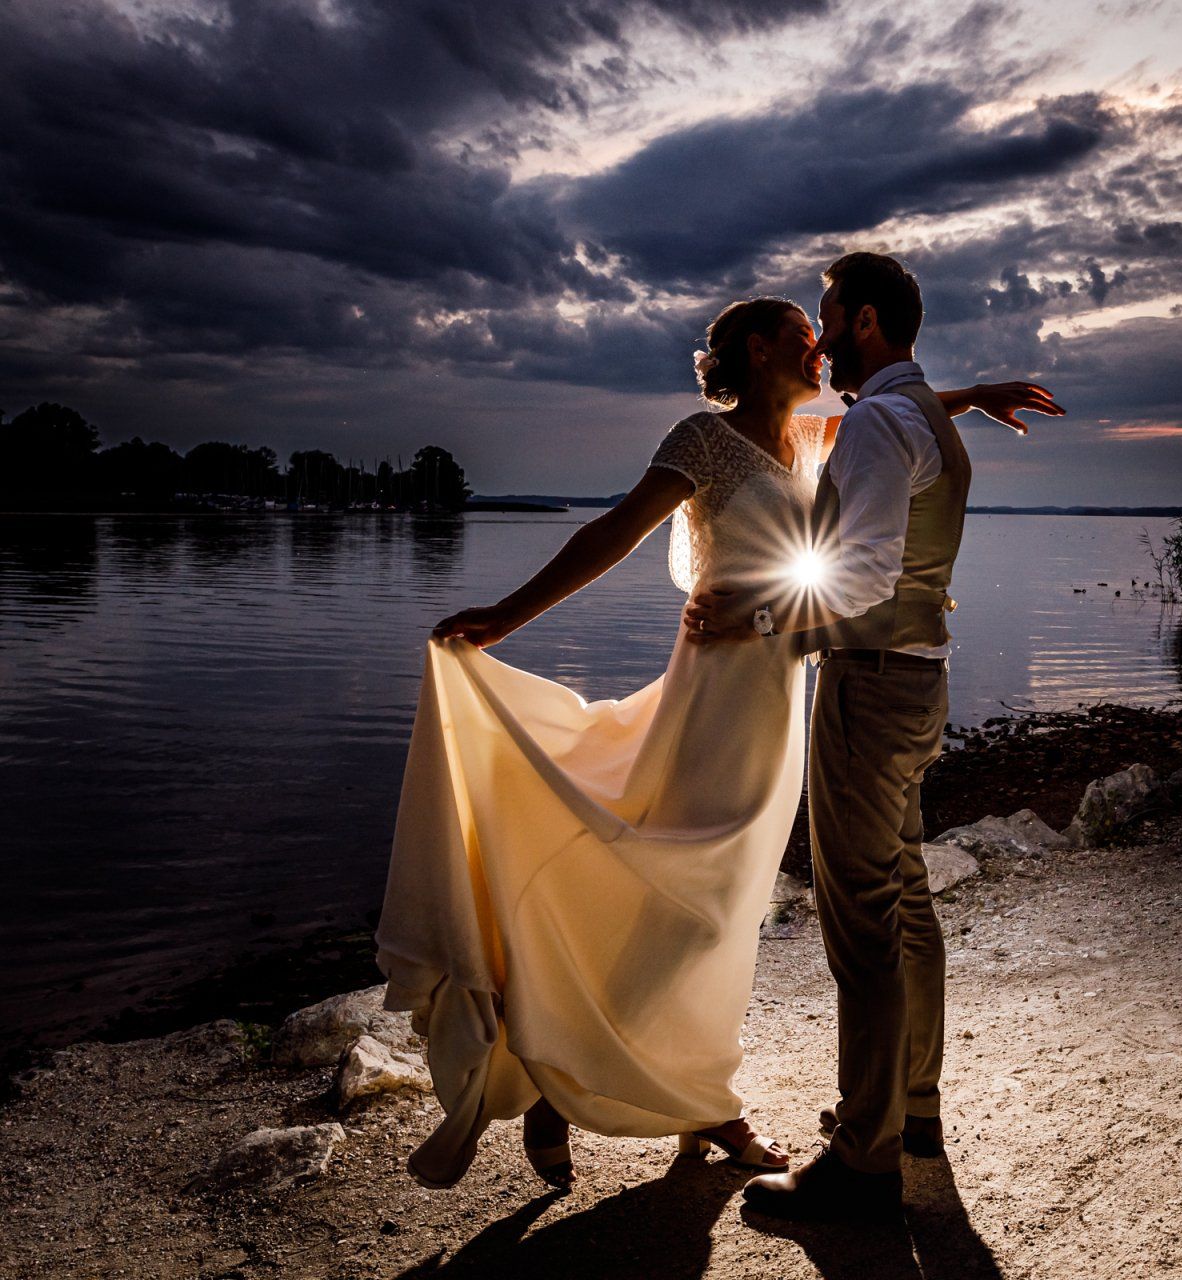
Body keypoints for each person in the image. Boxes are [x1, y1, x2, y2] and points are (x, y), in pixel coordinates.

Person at [375, 292, 1061, 1192]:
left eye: (822, 337)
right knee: (682, 901)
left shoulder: (816, 442)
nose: (817, 351)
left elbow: (894, 422)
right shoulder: (703, 439)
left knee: (727, 914)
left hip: (779, 700)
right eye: (800, 337)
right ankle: (568, 1077)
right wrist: (509, 613)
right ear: (753, 348)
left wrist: (969, 397)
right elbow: (614, 531)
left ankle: (697, 1097)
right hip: (713, 697)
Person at [686, 252, 1009, 1221]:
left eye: (828, 314)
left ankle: (863, 1159)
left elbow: (859, 578)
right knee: (906, 895)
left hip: (869, 688)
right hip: (924, 680)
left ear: (865, 321)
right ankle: (914, 1107)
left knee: (861, 922)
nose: (820, 335)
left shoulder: (875, 422)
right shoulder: (931, 423)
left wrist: (760, 612)